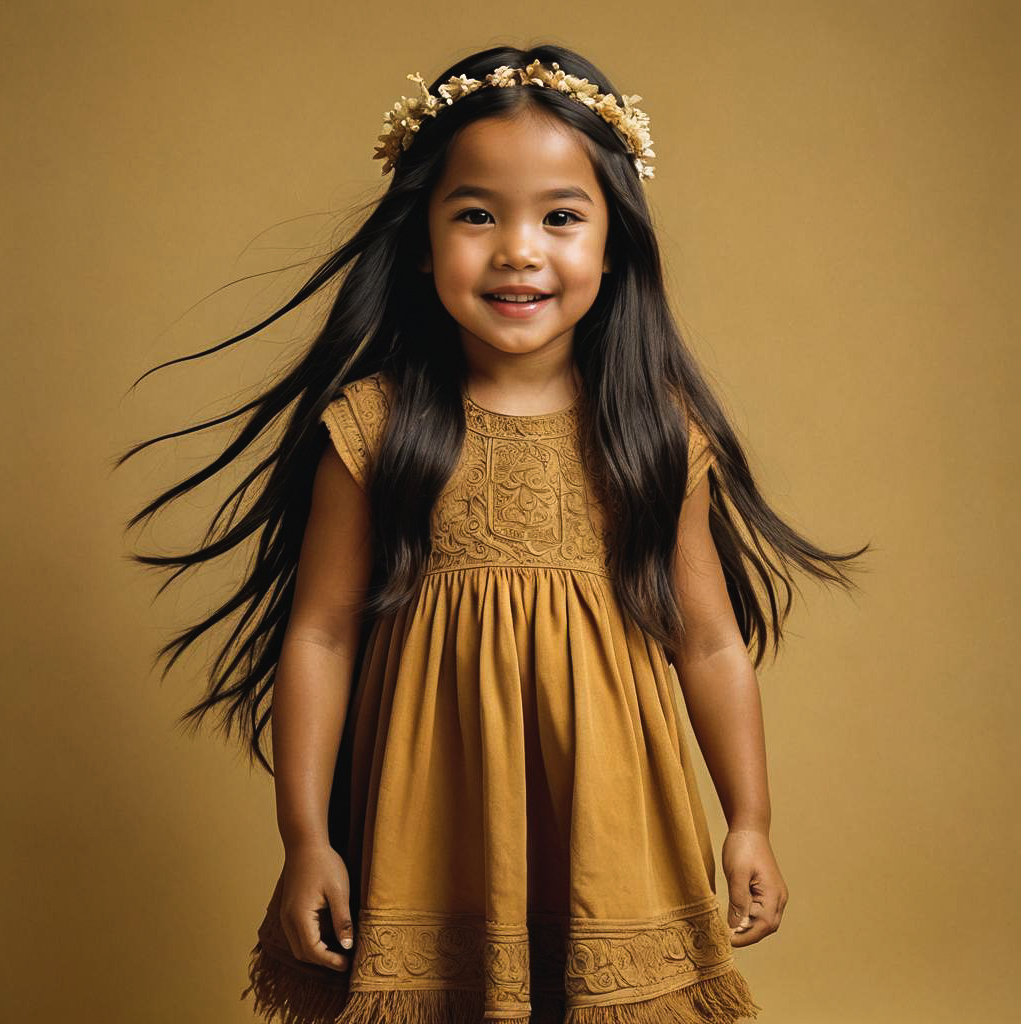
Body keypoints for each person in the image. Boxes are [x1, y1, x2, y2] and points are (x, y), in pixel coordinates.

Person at [119, 42, 870, 1024]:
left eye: (561, 217)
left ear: (614, 243)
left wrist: (749, 819)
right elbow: (320, 633)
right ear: (423, 241)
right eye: (477, 214)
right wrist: (306, 837)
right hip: (436, 827)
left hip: (615, 825)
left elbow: (709, 639)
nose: (519, 248)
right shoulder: (376, 429)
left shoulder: (651, 432)